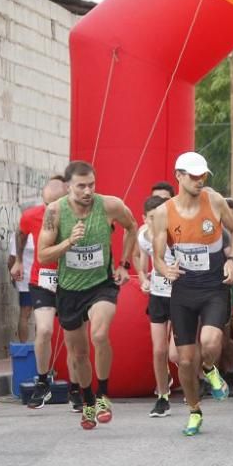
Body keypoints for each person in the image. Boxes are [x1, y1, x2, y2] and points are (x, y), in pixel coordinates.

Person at [37, 161, 138, 430]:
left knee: (100, 334)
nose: (87, 191)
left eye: (91, 184)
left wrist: (124, 265)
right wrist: (69, 242)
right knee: (79, 354)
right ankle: (89, 400)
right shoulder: (55, 212)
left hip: (101, 284)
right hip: (69, 289)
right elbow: (43, 254)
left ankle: (104, 395)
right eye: (81, 186)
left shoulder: (110, 205)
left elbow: (132, 226)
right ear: (68, 187)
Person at [151, 152, 233, 436]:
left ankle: (210, 368)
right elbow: (157, 256)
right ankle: (194, 409)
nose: (199, 180)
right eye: (193, 175)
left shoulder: (214, 200)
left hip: (214, 286)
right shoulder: (163, 213)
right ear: (178, 175)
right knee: (184, 359)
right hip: (183, 290)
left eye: (202, 175)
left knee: (211, 339)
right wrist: (164, 268)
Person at [13, 175, 68, 409]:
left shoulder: (78, 215)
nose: (49, 210)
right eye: (46, 204)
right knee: (44, 330)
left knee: (74, 337)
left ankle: (76, 387)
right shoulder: (31, 215)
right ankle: (43, 382)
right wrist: (18, 261)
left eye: (54, 204)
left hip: (73, 281)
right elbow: (20, 233)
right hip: (42, 279)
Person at [134, 194, 179, 418]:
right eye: (152, 218)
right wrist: (143, 279)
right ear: (145, 218)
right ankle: (162, 397)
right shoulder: (143, 237)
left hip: (179, 296)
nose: (156, 221)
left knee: (175, 354)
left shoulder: (175, 234)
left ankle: (204, 372)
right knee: (159, 350)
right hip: (158, 295)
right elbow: (143, 265)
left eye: (160, 216)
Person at [8, 230, 34, 343]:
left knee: (25, 314)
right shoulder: (44, 231)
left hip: (26, 279)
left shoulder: (18, 235)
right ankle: (34, 347)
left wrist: (13, 275)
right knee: (39, 314)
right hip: (36, 279)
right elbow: (11, 259)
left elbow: (11, 260)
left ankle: (25, 347)